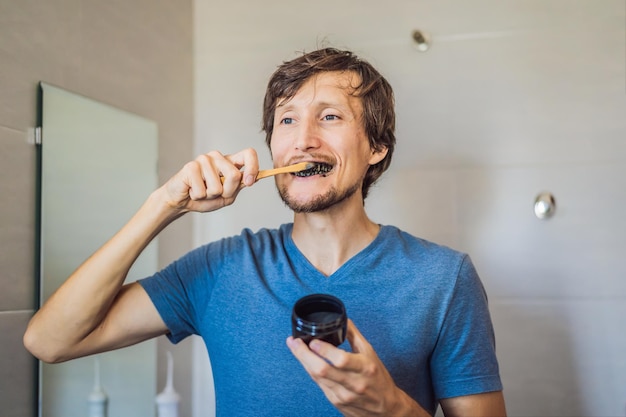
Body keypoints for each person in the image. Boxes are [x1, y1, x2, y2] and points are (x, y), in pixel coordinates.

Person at [24, 47, 506, 416]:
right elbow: (50, 342)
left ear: (376, 147)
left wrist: (392, 408)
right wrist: (163, 205)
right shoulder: (218, 269)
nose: (303, 139)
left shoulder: (445, 279)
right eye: (287, 120)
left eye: (330, 117)